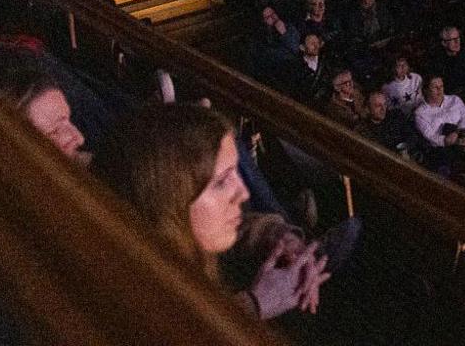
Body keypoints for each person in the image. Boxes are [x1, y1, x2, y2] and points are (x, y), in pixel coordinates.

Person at [93, 102, 328, 321]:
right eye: (221, 182)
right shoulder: (137, 298)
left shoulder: (171, 250)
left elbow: (236, 228)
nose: (243, 193)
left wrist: (277, 235)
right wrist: (254, 304)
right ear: (171, 198)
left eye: (236, 171)